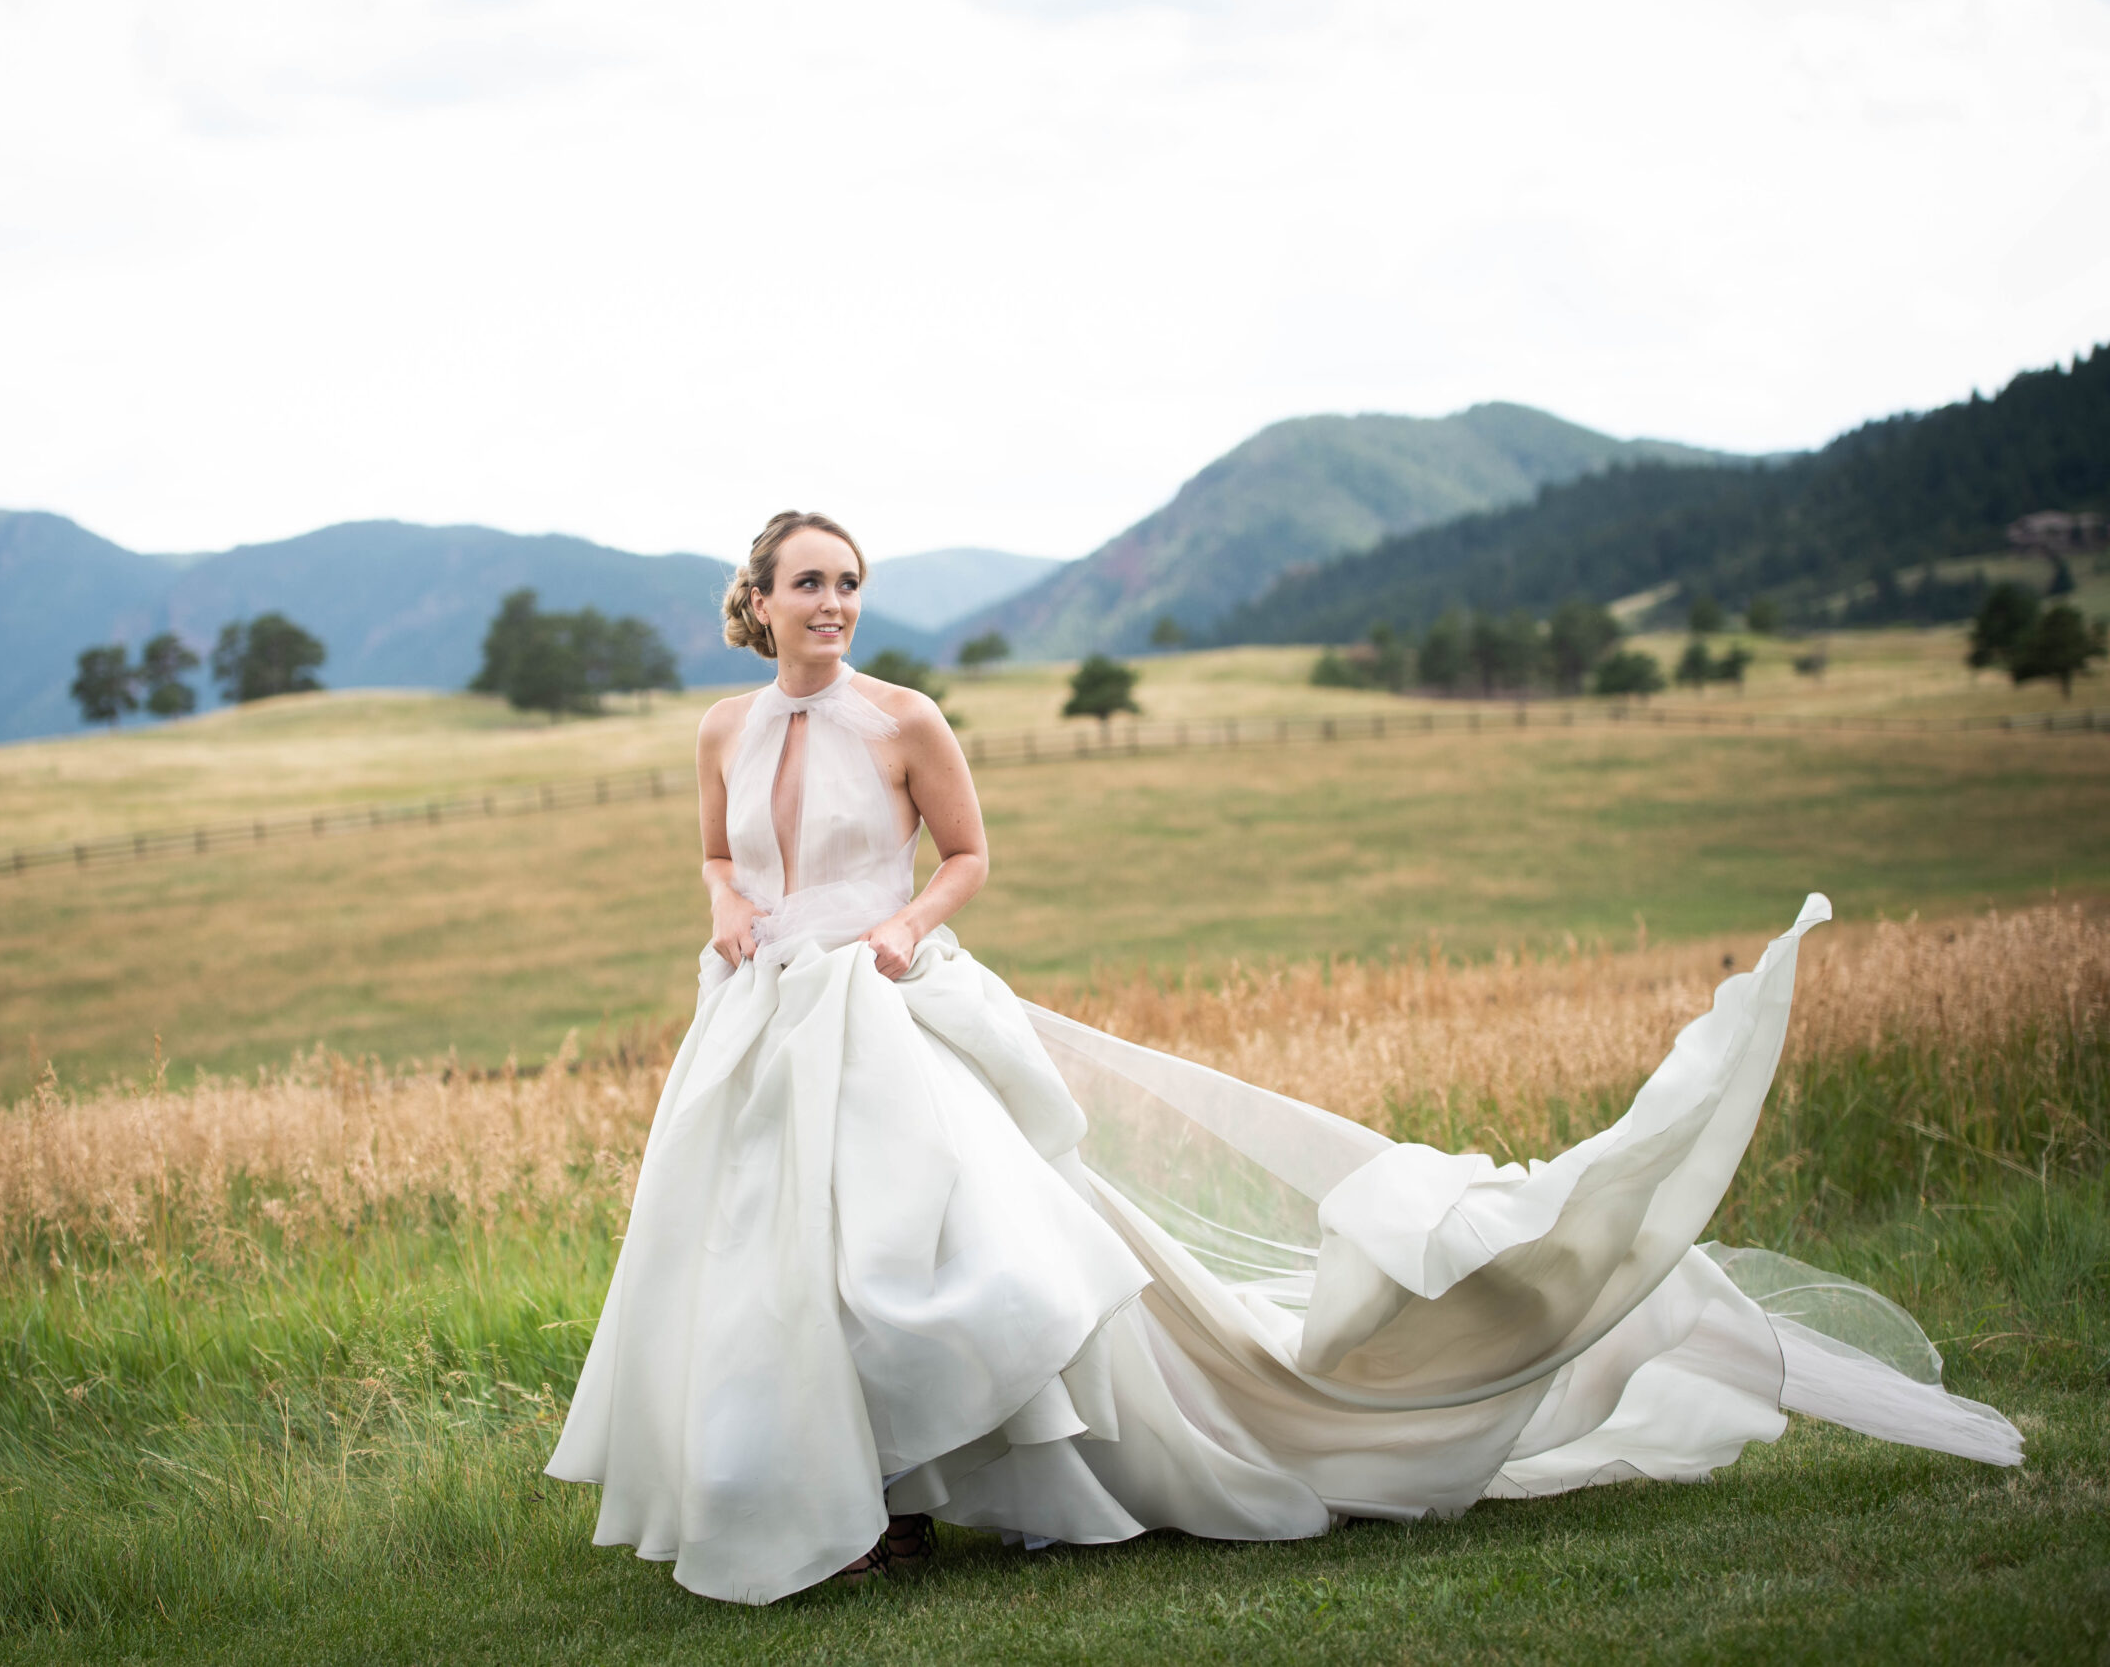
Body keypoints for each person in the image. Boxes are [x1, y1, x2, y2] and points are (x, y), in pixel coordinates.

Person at [545, 510, 2021, 1606]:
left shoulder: (907, 719)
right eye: (812, 581)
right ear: (761, 597)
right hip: (755, 1026)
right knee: (762, 1266)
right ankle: (843, 1494)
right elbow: (717, 863)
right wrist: (734, 910)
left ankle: (907, 1497)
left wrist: (901, 926)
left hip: (887, 1015)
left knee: (926, 1262)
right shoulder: (722, 727)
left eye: (853, 582)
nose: (837, 603)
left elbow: (974, 855)